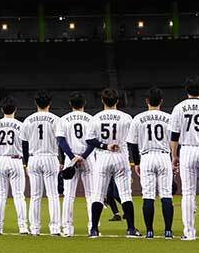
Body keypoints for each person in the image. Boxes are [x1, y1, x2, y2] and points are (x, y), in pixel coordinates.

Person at [169, 76, 199, 241]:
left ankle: (189, 233)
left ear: (186, 90)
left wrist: (174, 155)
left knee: (188, 193)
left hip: (188, 150)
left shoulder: (179, 108)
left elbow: (174, 136)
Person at [85, 88, 138, 237]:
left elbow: (89, 140)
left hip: (103, 156)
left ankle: (94, 229)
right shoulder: (126, 117)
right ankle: (131, 229)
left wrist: (104, 145)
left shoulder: (95, 118)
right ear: (117, 101)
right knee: (125, 194)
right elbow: (133, 140)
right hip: (120, 155)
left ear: (102, 101)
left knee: (98, 194)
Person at [125, 87, 174, 239]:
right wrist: (174, 157)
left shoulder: (138, 118)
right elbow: (174, 139)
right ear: (161, 101)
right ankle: (168, 231)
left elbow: (132, 144)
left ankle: (150, 231)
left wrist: (137, 163)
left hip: (146, 157)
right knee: (166, 194)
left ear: (146, 101)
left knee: (148, 195)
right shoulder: (169, 117)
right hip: (164, 155)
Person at [54, 92, 96, 237]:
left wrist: (73, 158)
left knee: (68, 196)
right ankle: (94, 228)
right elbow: (93, 142)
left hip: (70, 159)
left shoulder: (63, 119)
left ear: (71, 104)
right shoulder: (91, 119)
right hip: (88, 159)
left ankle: (67, 229)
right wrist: (83, 157)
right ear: (84, 104)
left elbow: (61, 141)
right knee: (91, 196)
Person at [21, 91, 61, 236]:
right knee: (53, 195)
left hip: (34, 158)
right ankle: (55, 229)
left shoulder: (28, 120)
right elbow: (60, 141)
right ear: (49, 104)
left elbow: (24, 144)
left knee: (35, 195)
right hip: (50, 157)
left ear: (36, 103)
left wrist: (26, 163)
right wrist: (61, 161)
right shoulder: (56, 120)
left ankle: (35, 228)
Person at [0, 97, 27, 235]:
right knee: (19, 195)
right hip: (16, 160)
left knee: (0, 196)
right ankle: (23, 227)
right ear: (15, 109)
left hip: (1, 160)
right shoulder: (21, 125)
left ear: (2, 109)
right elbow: (25, 146)